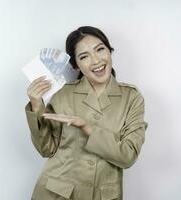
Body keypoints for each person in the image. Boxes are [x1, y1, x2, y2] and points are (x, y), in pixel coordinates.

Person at [25, 26, 148, 200]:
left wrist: (87, 127)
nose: (96, 60)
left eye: (100, 49)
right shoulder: (62, 94)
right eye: (84, 56)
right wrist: (37, 105)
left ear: (109, 51)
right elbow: (46, 149)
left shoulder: (132, 98)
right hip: (56, 194)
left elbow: (127, 157)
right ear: (75, 65)